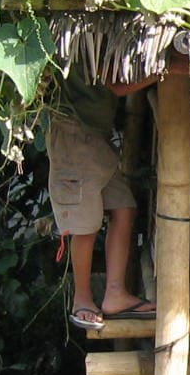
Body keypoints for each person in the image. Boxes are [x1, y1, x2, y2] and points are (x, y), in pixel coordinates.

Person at [47, 64, 159, 332]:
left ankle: (115, 295)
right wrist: (167, 70)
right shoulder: (81, 41)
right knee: (85, 225)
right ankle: (82, 300)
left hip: (96, 137)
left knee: (124, 209)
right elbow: (116, 85)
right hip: (73, 135)